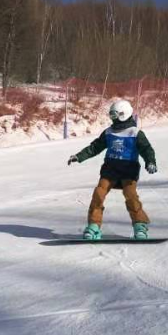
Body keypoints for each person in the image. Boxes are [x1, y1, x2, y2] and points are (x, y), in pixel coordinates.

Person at [68, 99, 158, 240]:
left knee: (131, 196)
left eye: (115, 115)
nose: (112, 118)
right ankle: (94, 226)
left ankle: (140, 225)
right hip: (110, 170)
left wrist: (150, 162)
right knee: (98, 194)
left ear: (124, 114)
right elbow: (95, 147)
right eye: (111, 115)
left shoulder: (135, 133)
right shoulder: (109, 132)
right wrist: (79, 156)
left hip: (128, 170)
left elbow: (147, 149)